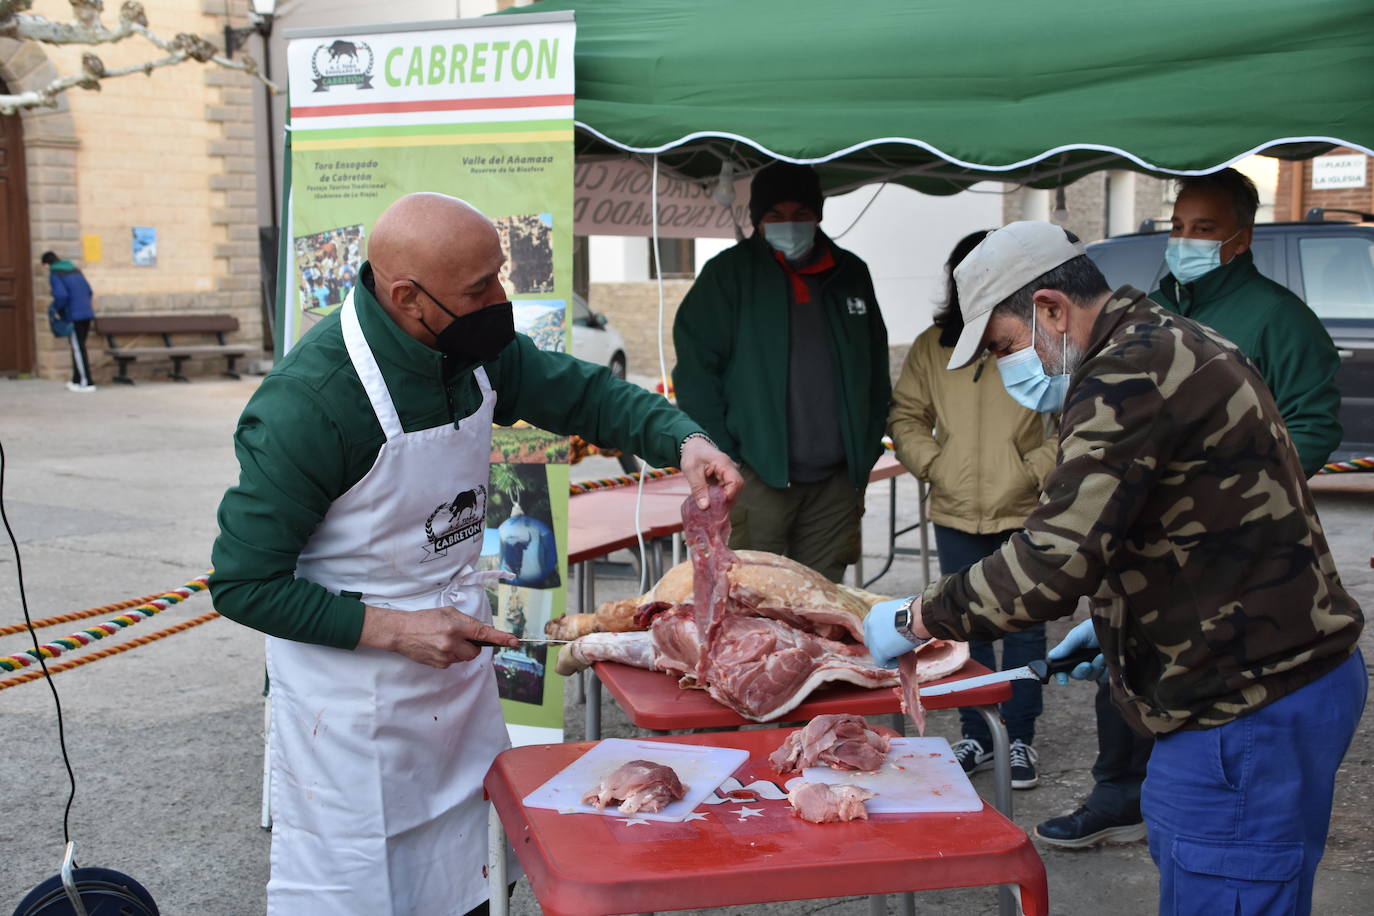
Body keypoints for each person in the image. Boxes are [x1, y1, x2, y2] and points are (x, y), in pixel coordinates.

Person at [209, 192, 742, 916]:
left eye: (500, 277)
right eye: (479, 288)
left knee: (472, 872)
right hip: (348, 705)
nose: (501, 300)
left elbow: (586, 396)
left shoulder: (473, 352)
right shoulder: (311, 404)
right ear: (407, 297)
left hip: (453, 679)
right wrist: (396, 629)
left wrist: (685, 442)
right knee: (365, 890)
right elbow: (243, 584)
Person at [864, 221, 1365, 915]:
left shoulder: (1124, 373)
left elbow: (1053, 560)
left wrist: (917, 616)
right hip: (1266, 677)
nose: (1010, 368)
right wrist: (1124, 623)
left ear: (1050, 308)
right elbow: (1186, 517)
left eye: (1006, 346)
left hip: (1243, 703)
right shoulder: (1175, 338)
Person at [1038, 168, 1348, 849]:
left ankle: (1186, 808)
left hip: (1232, 557)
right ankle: (1120, 793)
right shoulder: (1153, 309)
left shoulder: (1277, 319)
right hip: (1146, 550)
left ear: (1241, 238)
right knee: (1121, 658)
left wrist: (1229, 489)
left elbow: (1314, 425)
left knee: (1220, 728)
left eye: (1203, 230)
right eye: (1177, 227)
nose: (1185, 241)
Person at [889, 230, 1056, 789]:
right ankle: (976, 735)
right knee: (963, 625)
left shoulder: (1039, 342)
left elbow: (1067, 421)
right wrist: (934, 463)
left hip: (1024, 509)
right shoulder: (932, 347)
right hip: (955, 508)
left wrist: (1032, 470)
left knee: (1026, 627)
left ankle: (1021, 738)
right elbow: (907, 416)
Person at [673, 162, 890, 582]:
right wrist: (727, 454)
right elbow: (697, 374)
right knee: (754, 596)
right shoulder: (728, 275)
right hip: (756, 479)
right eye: (776, 215)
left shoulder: (851, 273)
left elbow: (876, 369)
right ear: (758, 219)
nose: (789, 224)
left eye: (800, 214)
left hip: (836, 484)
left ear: (818, 215)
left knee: (821, 600)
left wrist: (864, 447)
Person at [43, 251, 96, 392]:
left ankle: (87, 382)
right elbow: (89, 291)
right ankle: (76, 380)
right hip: (86, 313)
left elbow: (61, 295)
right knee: (78, 347)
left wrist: (56, 309)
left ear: (47, 265)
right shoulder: (75, 270)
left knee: (78, 349)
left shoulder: (55, 274)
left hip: (74, 315)